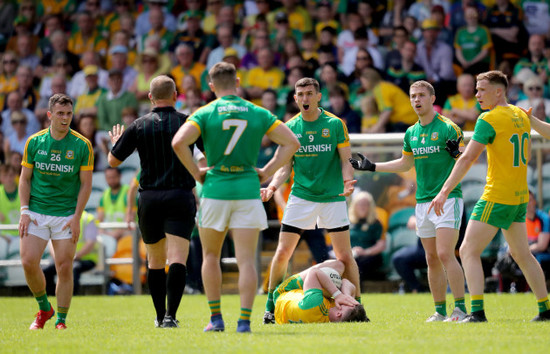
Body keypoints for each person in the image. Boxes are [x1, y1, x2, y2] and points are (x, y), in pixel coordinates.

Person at [171, 62, 299, 333]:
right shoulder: (257, 112)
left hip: (215, 190)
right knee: (246, 261)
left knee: (210, 256)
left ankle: (216, 319)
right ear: (238, 81)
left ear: (211, 84)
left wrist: (198, 173)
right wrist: (265, 171)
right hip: (247, 191)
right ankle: (243, 322)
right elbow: (291, 143)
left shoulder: (204, 112)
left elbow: (178, 143)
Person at [429, 70, 550, 322]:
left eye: (482, 90)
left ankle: (477, 312)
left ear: (498, 91)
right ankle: (545, 309)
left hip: (497, 196)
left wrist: (444, 190)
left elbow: (468, 158)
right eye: (476, 89)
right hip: (519, 197)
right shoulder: (519, 114)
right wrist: (532, 120)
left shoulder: (489, 118)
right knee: (523, 255)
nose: (476, 95)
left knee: (467, 250)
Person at [350, 80, 468, 322]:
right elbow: (405, 163)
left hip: (448, 198)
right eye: (413, 96)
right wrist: (373, 167)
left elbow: (463, 160)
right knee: (431, 258)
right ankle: (439, 311)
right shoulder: (411, 132)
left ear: (432, 99)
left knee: (446, 254)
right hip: (423, 202)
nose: (416, 100)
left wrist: (445, 190)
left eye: (421, 95)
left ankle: (460, 309)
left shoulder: (448, 128)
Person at [261, 77, 362, 325]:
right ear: (295, 98)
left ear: (319, 96)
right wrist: (273, 185)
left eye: (309, 93)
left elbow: (345, 160)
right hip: (302, 196)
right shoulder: (290, 127)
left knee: (345, 257)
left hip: (332, 197)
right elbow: (285, 168)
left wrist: (348, 181)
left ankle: (357, 307)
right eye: (300, 94)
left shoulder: (335, 124)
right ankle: (269, 308)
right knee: (283, 252)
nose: (304, 98)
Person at [108, 75, 201, 328]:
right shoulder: (188, 123)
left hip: (149, 198)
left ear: (150, 97)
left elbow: (113, 162)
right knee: (178, 259)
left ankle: (160, 317)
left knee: (155, 261)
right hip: (180, 196)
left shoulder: (138, 125)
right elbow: (209, 153)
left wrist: (116, 144)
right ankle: (172, 315)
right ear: (175, 95)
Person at [19, 93, 93, 330]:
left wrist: (77, 218)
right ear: (50, 115)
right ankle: (44, 308)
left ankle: (61, 321)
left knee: (63, 266)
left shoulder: (82, 145)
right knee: (29, 262)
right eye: (60, 114)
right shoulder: (34, 142)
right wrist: (24, 211)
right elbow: (24, 179)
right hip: (37, 212)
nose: (65, 118)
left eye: (69, 114)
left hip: (65, 214)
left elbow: (86, 184)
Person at [274, 259, 368, 324]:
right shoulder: (331, 316)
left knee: (338, 265)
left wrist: (338, 294)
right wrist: (346, 295)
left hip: (284, 292)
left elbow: (314, 272)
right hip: (294, 306)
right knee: (334, 274)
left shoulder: (315, 304)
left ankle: (268, 307)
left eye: (347, 303)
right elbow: (347, 283)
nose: (347, 301)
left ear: (339, 313)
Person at [43, 211, 98, 295]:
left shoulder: (88, 218)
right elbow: (52, 241)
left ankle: (71, 297)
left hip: (85, 258)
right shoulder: (60, 217)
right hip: (64, 258)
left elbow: (90, 243)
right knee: (46, 271)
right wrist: (58, 257)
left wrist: (74, 257)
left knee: (74, 268)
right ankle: (52, 297)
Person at [348, 191, 386, 281]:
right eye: (360, 204)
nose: (362, 207)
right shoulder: (348, 223)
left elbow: (381, 245)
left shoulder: (376, 223)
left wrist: (365, 252)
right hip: (351, 254)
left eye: (365, 204)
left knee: (358, 265)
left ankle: (357, 292)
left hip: (370, 256)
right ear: (354, 206)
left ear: (370, 206)